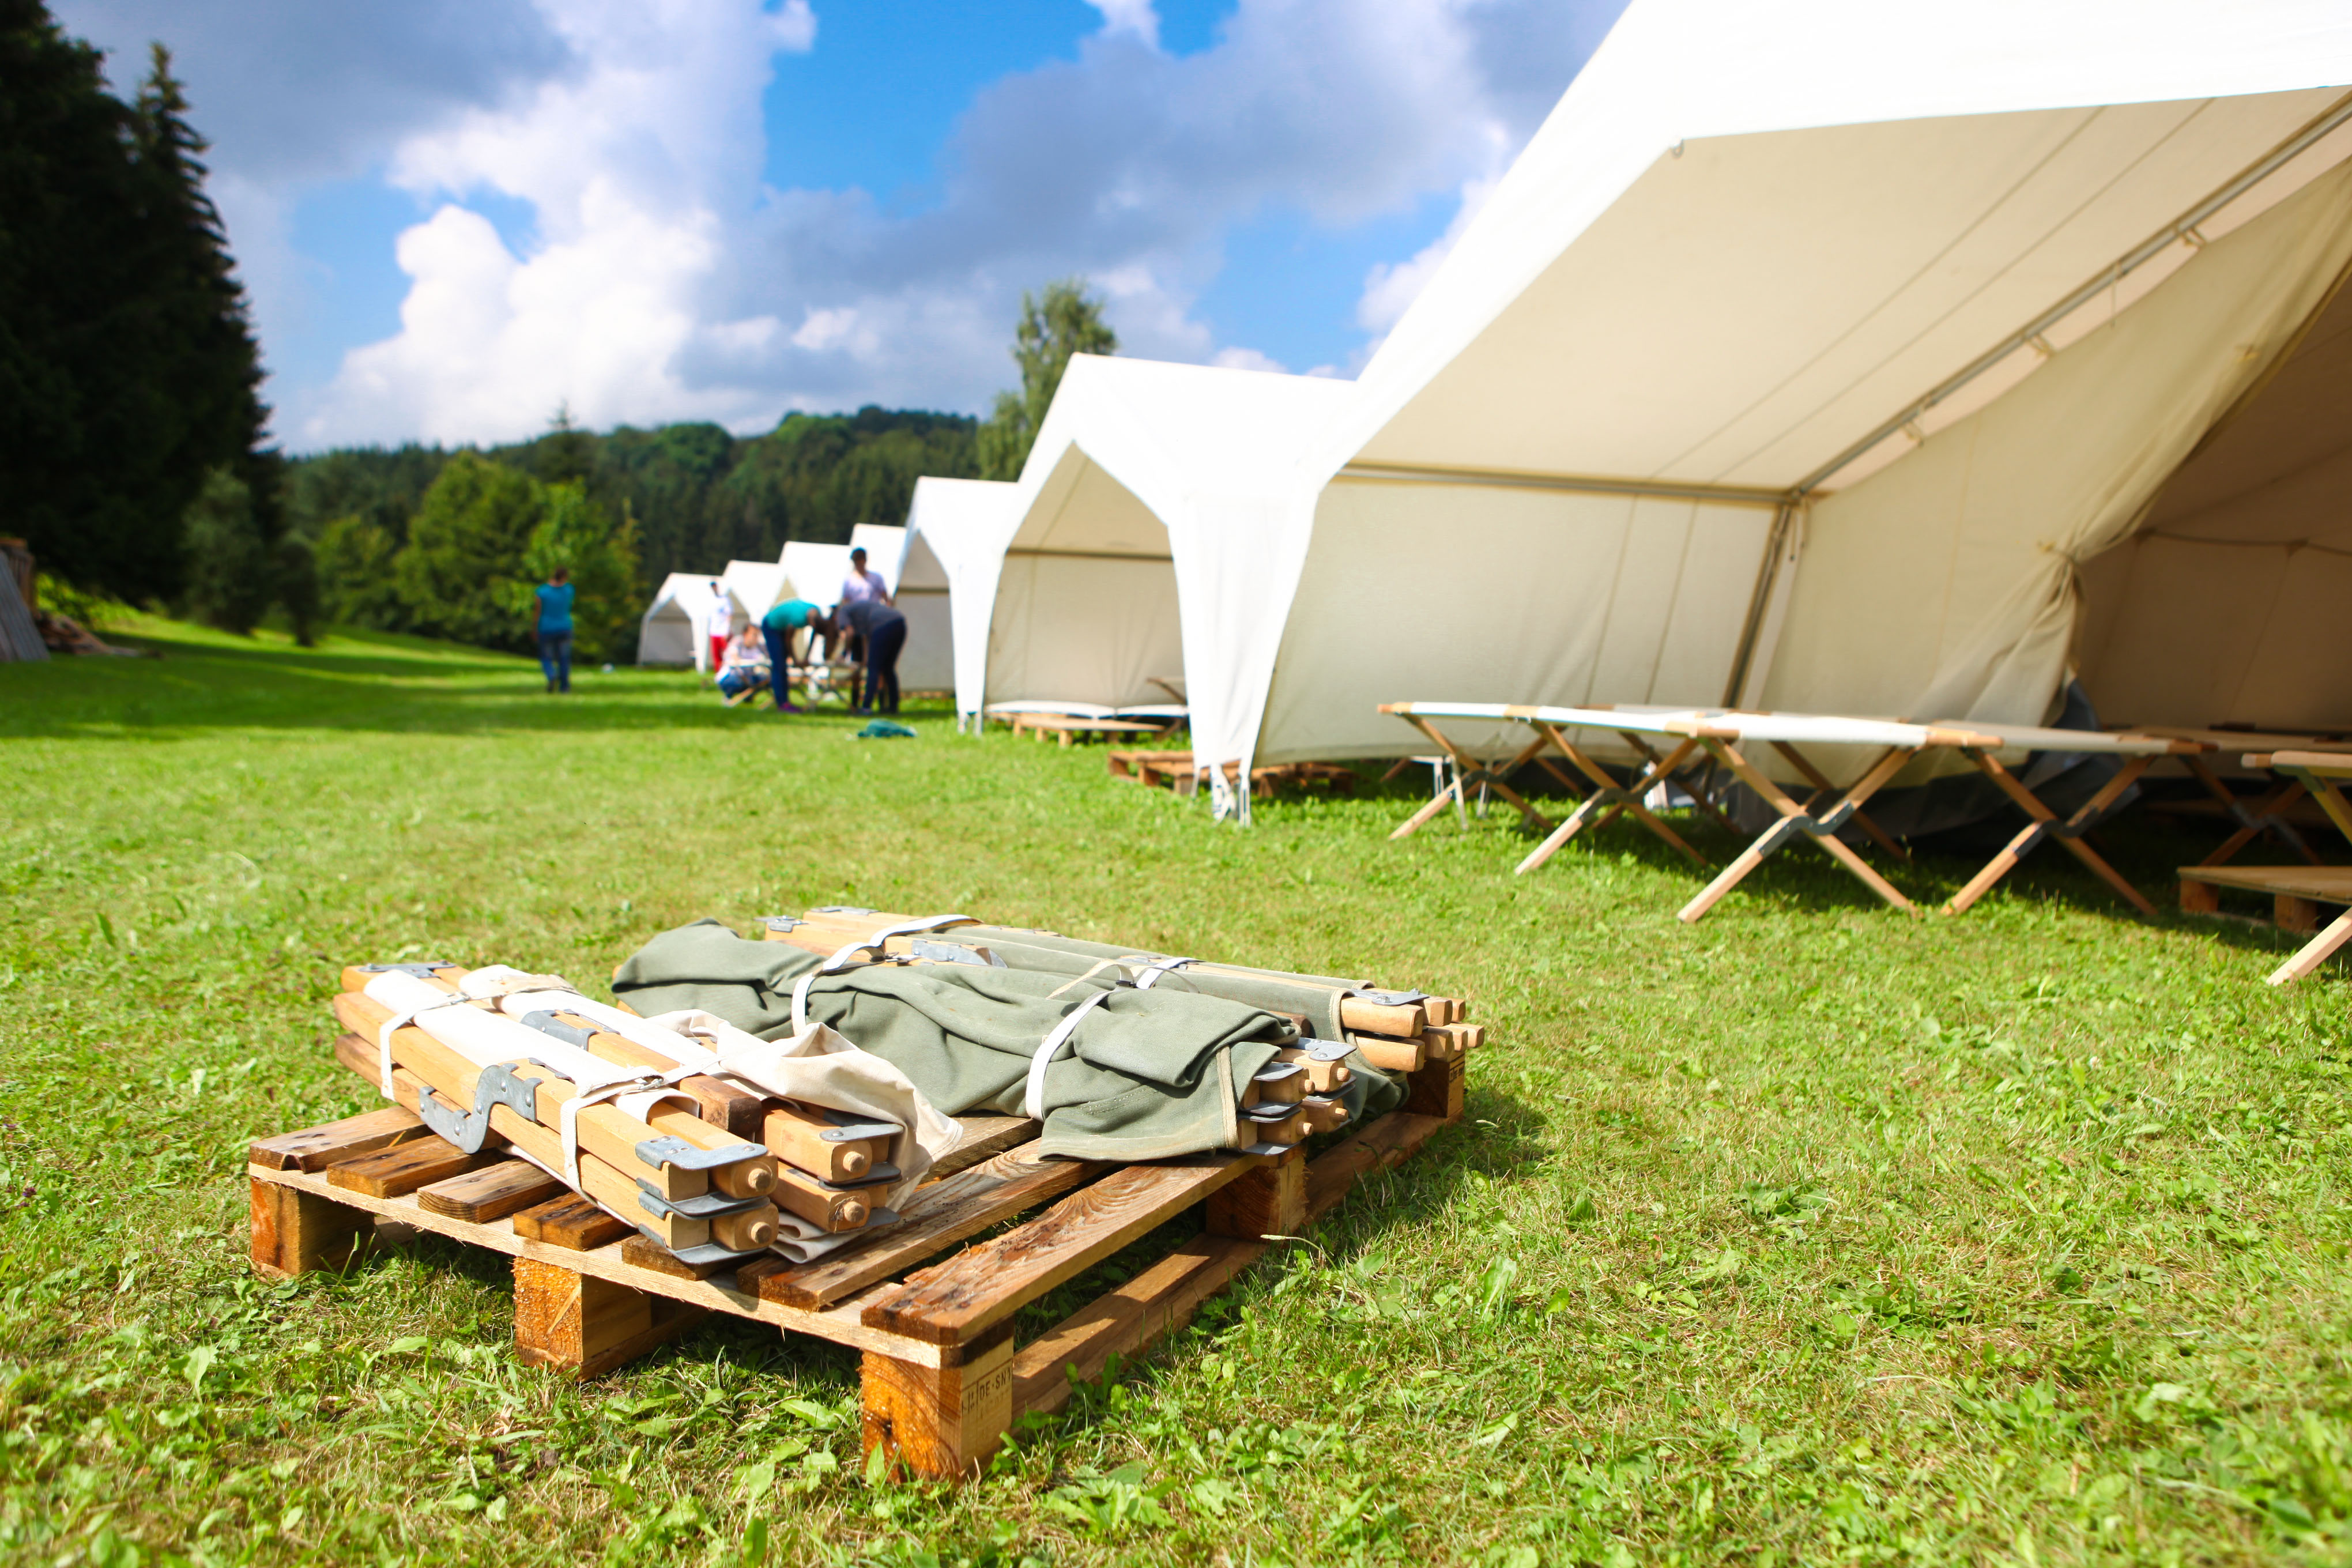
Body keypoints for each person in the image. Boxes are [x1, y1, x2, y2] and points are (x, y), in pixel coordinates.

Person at [835, 593, 907, 715]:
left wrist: (844, 654)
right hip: (900, 623)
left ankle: (866, 707)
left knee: (874, 668)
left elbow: (850, 632)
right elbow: (866, 637)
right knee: (888, 669)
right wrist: (866, 658)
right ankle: (893, 707)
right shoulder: (861, 609)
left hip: (882, 626)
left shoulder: (843, 611)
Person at [759, 596, 820, 713]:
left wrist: (806, 658)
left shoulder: (817, 613)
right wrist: (795, 659)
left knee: (783, 666)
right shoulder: (799, 618)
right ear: (811, 621)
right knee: (779, 665)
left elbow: (814, 635)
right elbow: (789, 640)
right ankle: (782, 703)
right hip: (771, 626)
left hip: (781, 626)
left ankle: (785, 701)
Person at [534, 567, 574, 693]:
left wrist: (534, 628)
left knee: (546, 657)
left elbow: (537, 612)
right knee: (564, 658)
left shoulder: (542, 591)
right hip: (564, 627)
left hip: (546, 627)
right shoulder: (569, 590)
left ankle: (551, 675)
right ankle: (565, 686)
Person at [715, 624, 767, 700]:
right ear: (745, 634)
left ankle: (748, 697)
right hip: (729, 676)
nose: (756, 638)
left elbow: (764, 658)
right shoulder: (737, 642)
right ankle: (729, 697)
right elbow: (735, 658)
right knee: (740, 681)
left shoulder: (757, 647)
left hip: (747, 676)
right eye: (754, 635)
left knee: (765, 680)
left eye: (757, 635)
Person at [702, 581, 734, 682]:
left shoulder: (725, 600)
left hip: (723, 632)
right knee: (716, 655)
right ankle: (719, 675)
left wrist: (727, 630)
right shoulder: (711, 600)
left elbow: (729, 615)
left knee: (728, 654)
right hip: (714, 631)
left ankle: (729, 674)